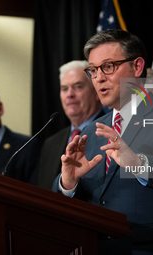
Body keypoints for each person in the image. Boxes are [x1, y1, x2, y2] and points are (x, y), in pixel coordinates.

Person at [52, 29, 153, 255]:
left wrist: (140, 164)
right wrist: (68, 183)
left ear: (137, 67)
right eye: (93, 70)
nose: (98, 78)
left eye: (108, 66)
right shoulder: (91, 130)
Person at [37, 60, 104, 190]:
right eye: (64, 89)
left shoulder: (112, 131)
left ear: (96, 92)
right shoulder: (50, 144)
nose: (70, 94)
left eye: (78, 86)